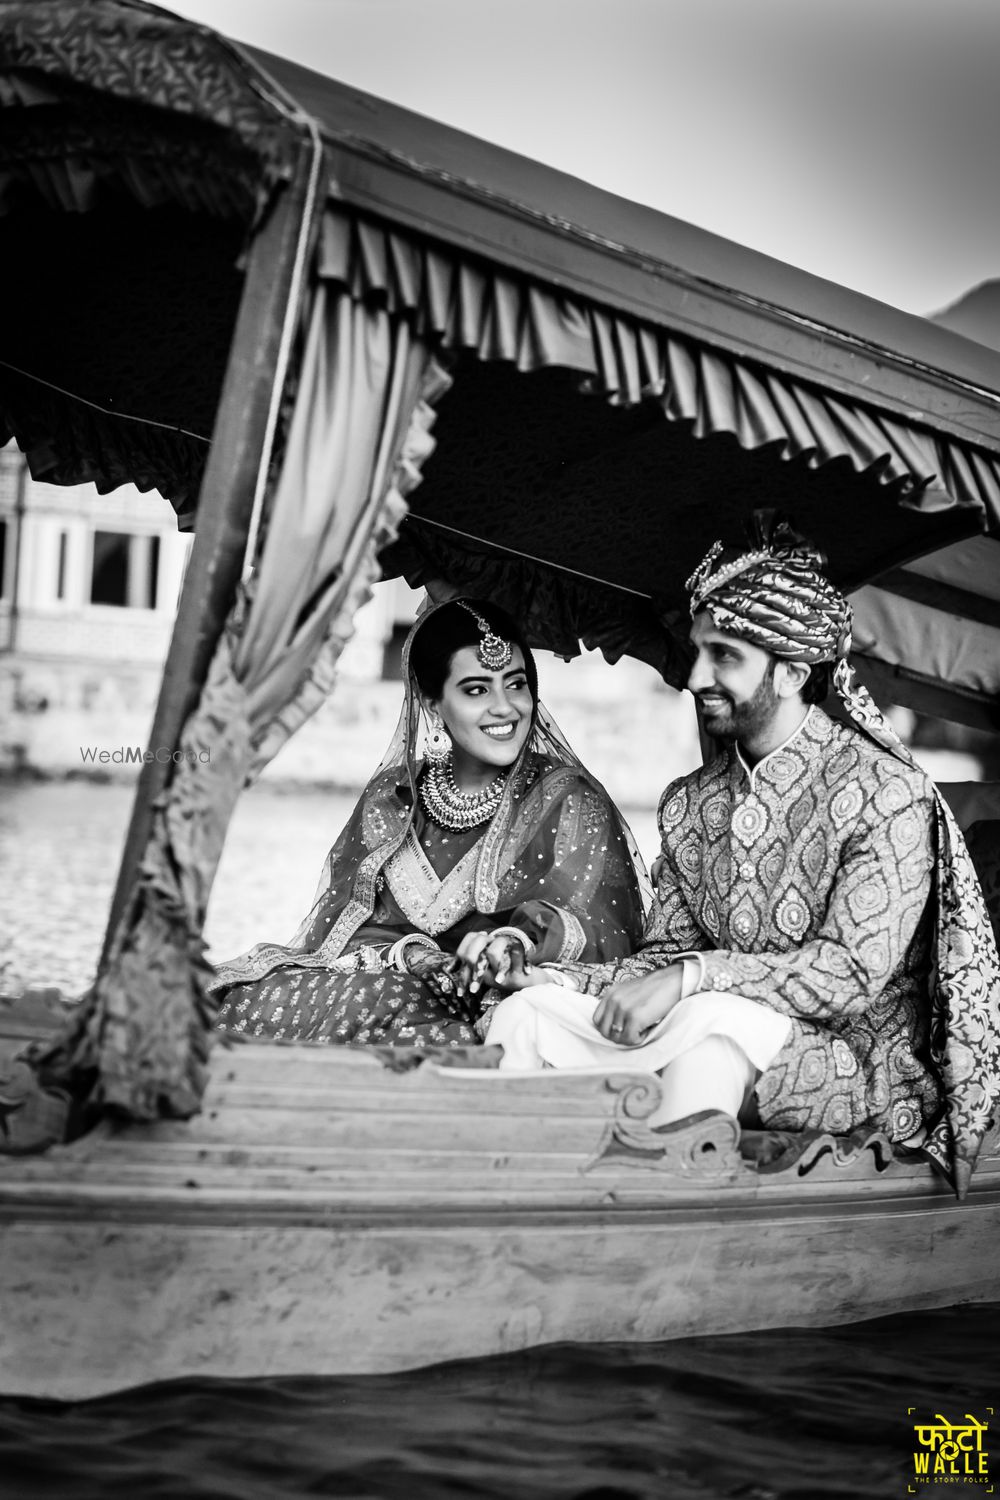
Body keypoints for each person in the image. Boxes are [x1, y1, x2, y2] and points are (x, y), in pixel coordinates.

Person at [477, 514, 1000, 1196]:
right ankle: (507, 1206)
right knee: (528, 1016)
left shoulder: (887, 794)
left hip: (861, 1064)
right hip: (710, 1019)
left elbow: (847, 977)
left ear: (791, 673)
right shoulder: (691, 804)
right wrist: (561, 982)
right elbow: (663, 960)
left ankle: (664, 1237)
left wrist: (695, 978)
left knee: (709, 1031)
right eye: (698, 650)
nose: (695, 675)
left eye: (725, 655)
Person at [211, 597, 647, 1047]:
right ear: (432, 703)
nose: (505, 708)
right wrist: (415, 956)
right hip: (389, 983)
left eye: (515, 684)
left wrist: (512, 946)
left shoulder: (567, 800)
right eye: (477, 690)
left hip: (499, 1005)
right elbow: (345, 929)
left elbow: (595, 929)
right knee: (241, 1002)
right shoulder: (394, 797)